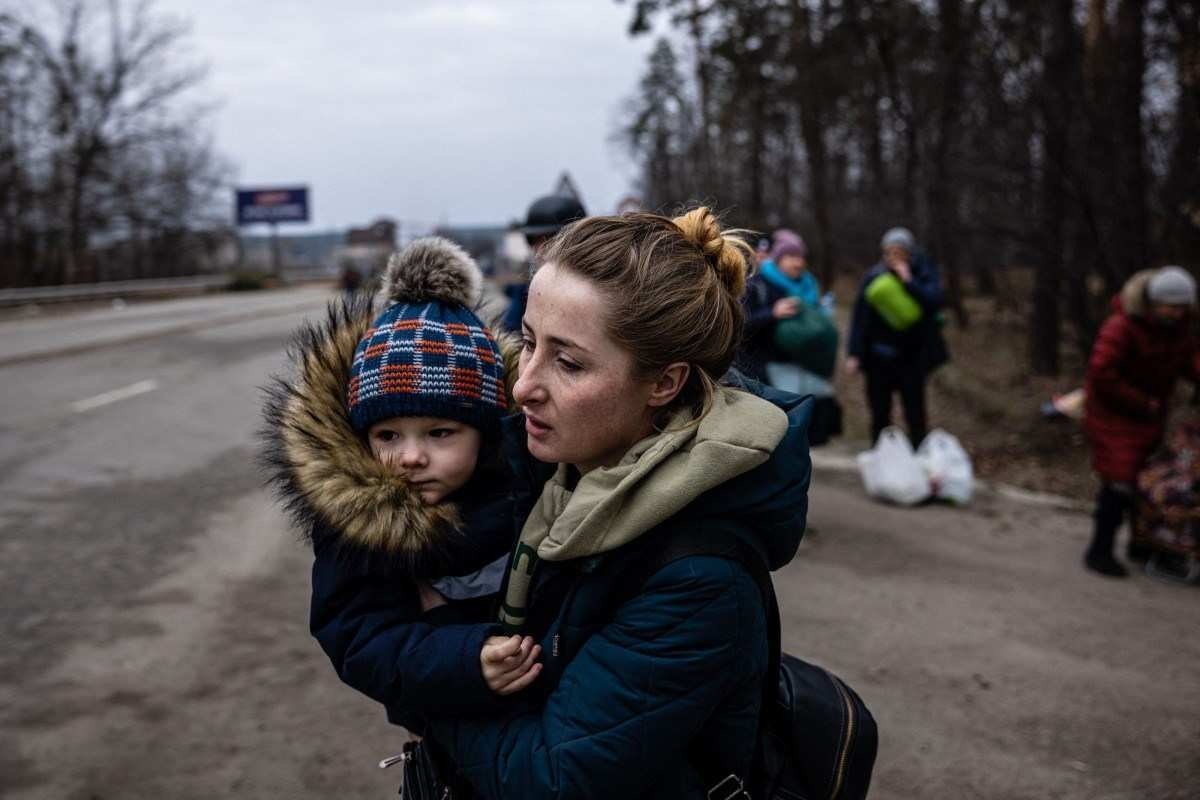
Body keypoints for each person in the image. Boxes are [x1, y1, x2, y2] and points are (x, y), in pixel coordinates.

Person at [310, 207, 813, 797]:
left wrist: (432, 673)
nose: (523, 385)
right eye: (528, 342)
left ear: (665, 384)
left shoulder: (699, 578)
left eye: (568, 362)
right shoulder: (552, 469)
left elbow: (552, 779)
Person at [260, 237, 542, 728]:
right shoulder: (361, 524)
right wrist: (463, 659)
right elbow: (360, 638)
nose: (410, 457)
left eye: (440, 433)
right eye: (387, 434)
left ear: (490, 433)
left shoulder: (535, 490)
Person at [1082, 265, 1199, 578]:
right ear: (1154, 302)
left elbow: (1191, 362)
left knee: (1147, 482)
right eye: (1170, 306)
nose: (1176, 313)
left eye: (1181, 307)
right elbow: (1101, 372)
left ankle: (1143, 545)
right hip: (1113, 413)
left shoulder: (1180, 332)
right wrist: (1140, 401)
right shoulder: (1121, 327)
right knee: (1119, 480)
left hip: (1149, 415)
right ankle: (1099, 550)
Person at [846, 226, 948, 446]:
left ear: (910, 252)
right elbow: (860, 317)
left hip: (913, 356)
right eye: (890, 252)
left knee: (915, 412)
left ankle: (919, 458)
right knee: (880, 413)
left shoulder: (923, 271)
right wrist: (854, 353)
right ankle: (882, 457)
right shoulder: (874, 275)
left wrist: (908, 280)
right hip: (878, 357)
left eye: (900, 252)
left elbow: (935, 302)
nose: (894, 257)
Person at [499, 194, 586, 334]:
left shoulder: (597, 292)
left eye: (552, 239)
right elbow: (510, 334)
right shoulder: (524, 293)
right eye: (535, 240)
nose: (541, 249)